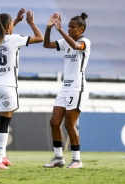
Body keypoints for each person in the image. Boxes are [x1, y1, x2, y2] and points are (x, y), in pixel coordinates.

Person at [0, 8, 43, 169]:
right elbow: (40, 38)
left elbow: (6, 32)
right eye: (11, 24)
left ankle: (3, 156)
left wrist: (16, 21)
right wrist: (31, 23)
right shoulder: (15, 39)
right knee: (4, 122)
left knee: (4, 119)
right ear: (8, 27)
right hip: (8, 86)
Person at [43, 12, 91, 169]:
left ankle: (77, 159)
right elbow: (46, 45)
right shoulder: (66, 42)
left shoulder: (85, 42)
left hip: (77, 88)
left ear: (81, 29)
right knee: (54, 122)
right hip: (65, 88)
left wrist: (60, 30)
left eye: (72, 27)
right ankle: (58, 158)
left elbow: (76, 46)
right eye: (68, 27)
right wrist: (49, 28)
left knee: (70, 124)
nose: (69, 29)